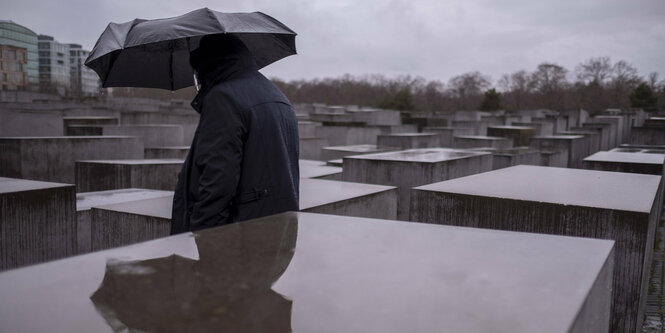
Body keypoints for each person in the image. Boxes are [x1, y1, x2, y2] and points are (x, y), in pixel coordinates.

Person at [171, 33, 299, 234]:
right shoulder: (278, 96)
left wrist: (200, 240)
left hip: (234, 242)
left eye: (197, 70)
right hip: (276, 234)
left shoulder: (223, 98)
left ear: (209, 64)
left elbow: (217, 184)